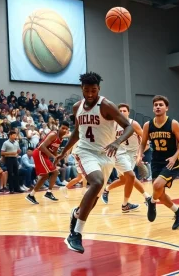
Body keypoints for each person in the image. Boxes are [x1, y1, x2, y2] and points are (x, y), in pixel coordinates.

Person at [55, 72, 134, 254]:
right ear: (82, 89)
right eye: (86, 90)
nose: (90, 94)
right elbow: (77, 132)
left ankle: (76, 213)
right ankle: (75, 235)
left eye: (93, 90)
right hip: (85, 151)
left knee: (93, 201)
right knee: (97, 182)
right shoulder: (77, 107)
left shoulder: (106, 105)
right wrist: (64, 151)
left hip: (106, 154)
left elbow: (128, 126)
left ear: (99, 89)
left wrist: (117, 141)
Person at [137, 95, 179, 229]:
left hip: (173, 160)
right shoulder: (148, 125)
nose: (158, 107)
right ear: (153, 108)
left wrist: (175, 156)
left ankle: (151, 201)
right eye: (155, 105)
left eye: (160, 105)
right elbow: (142, 144)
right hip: (156, 161)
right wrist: (139, 156)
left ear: (166, 108)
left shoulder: (173, 123)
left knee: (157, 186)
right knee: (160, 192)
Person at [102, 103, 150, 206]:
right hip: (120, 154)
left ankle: (106, 189)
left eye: (124, 111)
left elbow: (146, 141)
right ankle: (146, 197)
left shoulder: (134, 124)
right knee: (131, 176)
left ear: (128, 112)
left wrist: (139, 155)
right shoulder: (113, 125)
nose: (122, 112)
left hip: (132, 154)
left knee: (124, 180)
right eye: (120, 111)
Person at [25, 121, 70, 204]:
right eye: (63, 128)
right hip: (39, 153)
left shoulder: (61, 139)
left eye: (66, 129)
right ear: (59, 127)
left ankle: (31, 195)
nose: (64, 130)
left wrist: (57, 160)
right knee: (55, 172)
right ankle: (48, 193)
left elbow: (55, 151)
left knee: (46, 175)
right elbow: (42, 147)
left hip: (44, 155)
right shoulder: (53, 135)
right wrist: (53, 157)